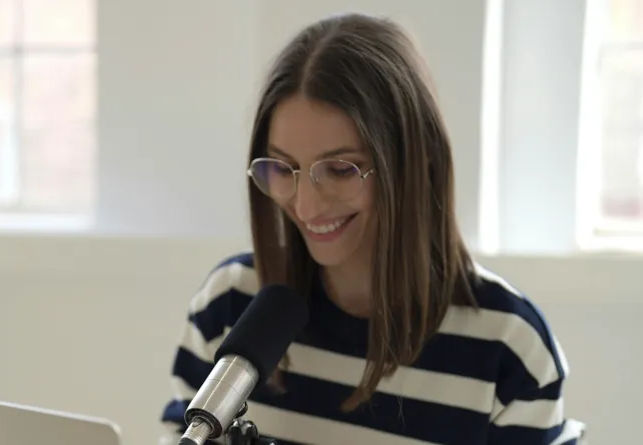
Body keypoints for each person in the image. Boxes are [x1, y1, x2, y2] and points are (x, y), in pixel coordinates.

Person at [159, 12, 586, 445]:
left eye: (341, 169)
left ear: (416, 162)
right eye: (284, 167)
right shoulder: (229, 305)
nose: (305, 205)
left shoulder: (509, 347)